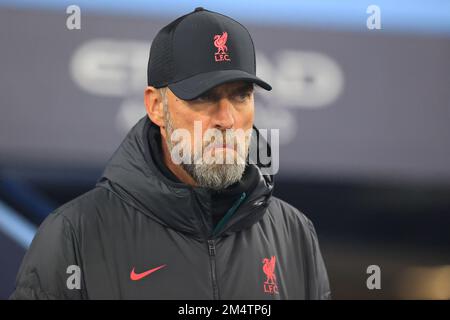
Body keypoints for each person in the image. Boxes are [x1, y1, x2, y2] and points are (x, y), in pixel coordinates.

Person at [10, 7, 330, 300]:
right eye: (204, 97)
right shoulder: (74, 234)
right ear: (155, 107)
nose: (227, 119)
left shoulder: (294, 233)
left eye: (241, 96)